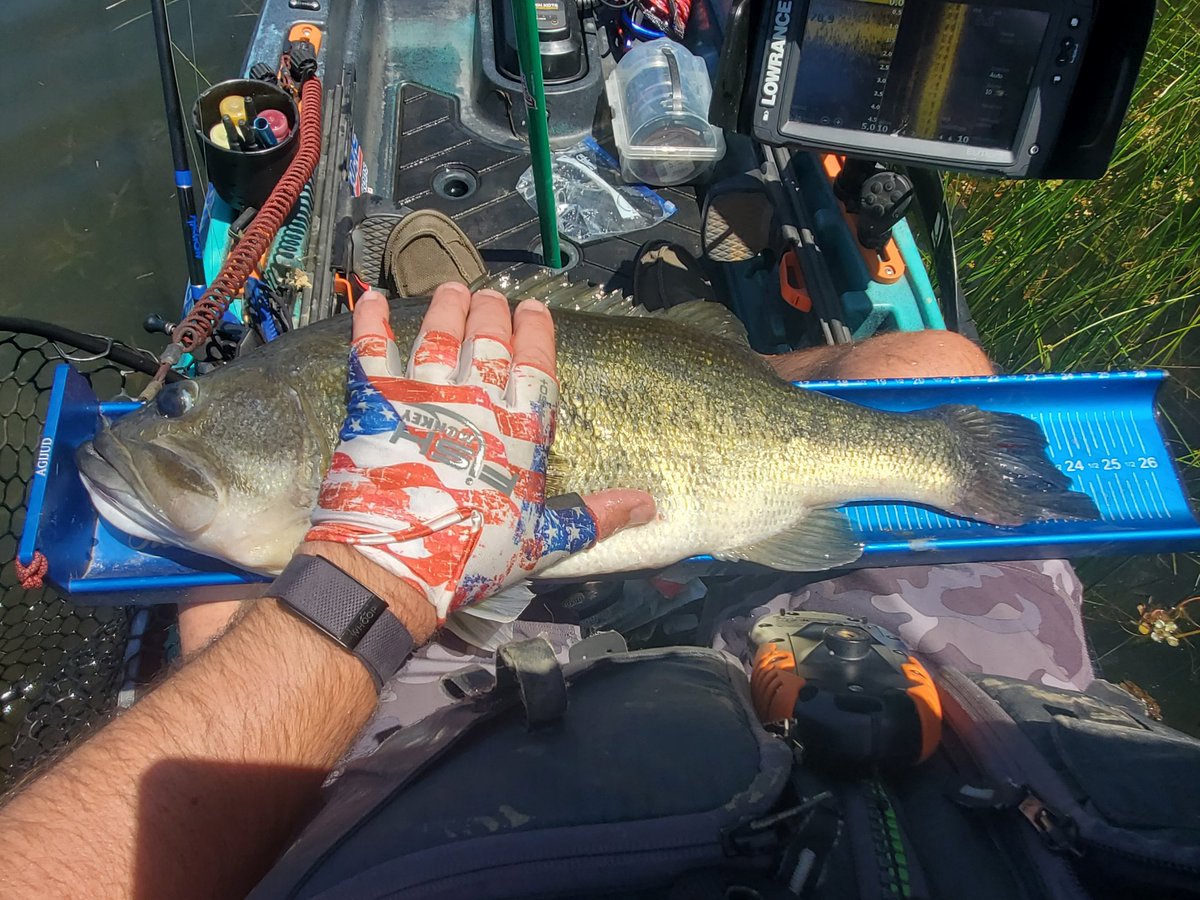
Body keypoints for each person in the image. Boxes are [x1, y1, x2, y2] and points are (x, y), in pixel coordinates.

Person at [0, 284, 1178, 899]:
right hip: (972, 744)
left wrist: (365, 579)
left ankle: (816, 413)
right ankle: (820, 401)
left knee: (218, 609)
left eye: (193, 414)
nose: (181, 428)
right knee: (937, 366)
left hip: (466, 796)